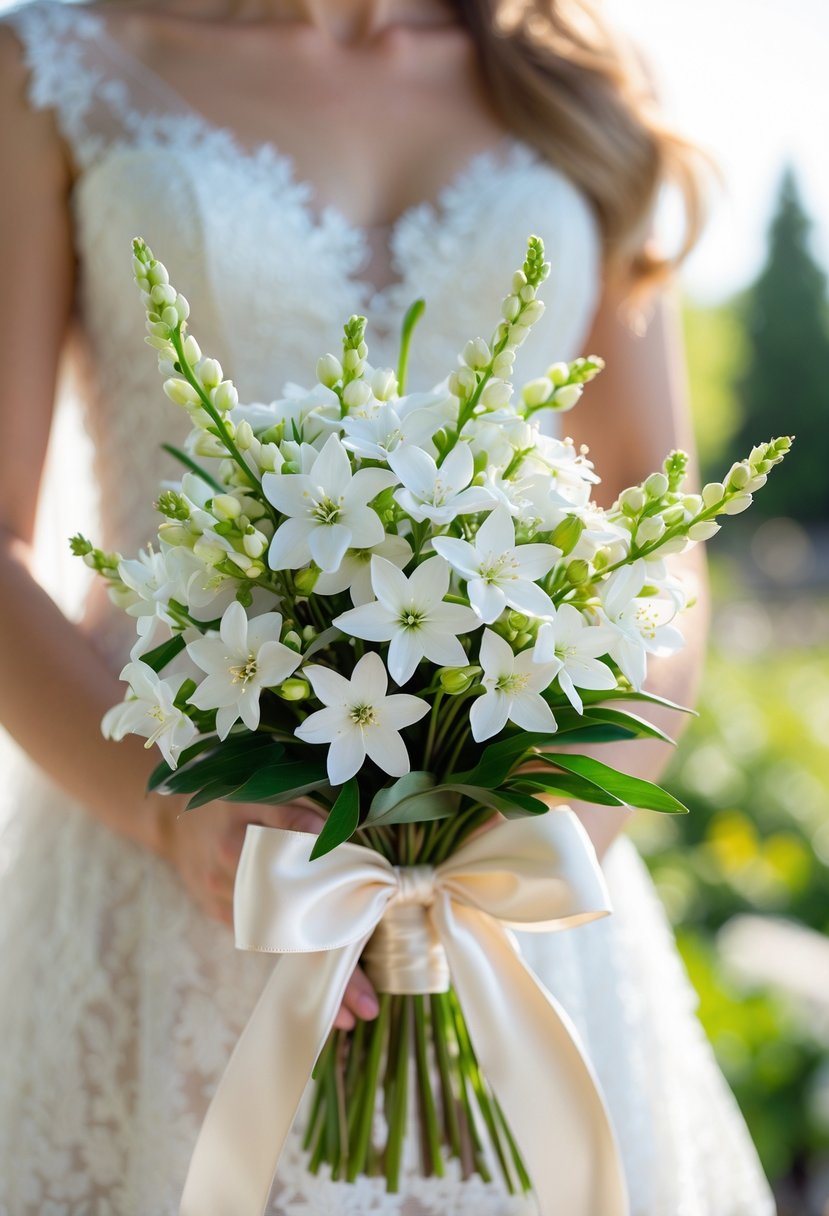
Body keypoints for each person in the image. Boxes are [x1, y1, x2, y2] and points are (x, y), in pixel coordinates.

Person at [0, 0, 775, 1211]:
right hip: (172, 855)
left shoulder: (576, 87)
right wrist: (171, 815)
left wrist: (552, 822)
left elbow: (657, 526)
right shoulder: (54, 61)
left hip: (511, 875)